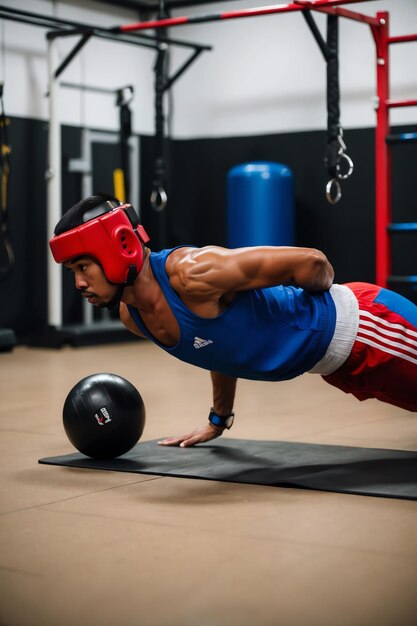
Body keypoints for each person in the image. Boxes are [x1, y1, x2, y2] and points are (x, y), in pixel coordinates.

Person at [49, 195, 417, 447]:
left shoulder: (194, 273)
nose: (79, 283)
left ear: (122, 247)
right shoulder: (134, 317)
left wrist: (325, 307)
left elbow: (314, 263)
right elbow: (218, 348)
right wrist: (218, 419)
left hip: (369, 328)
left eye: (83, 267)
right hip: (338, 367)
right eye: (72, 271)